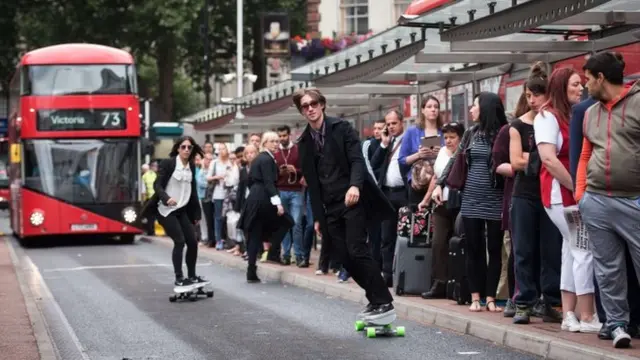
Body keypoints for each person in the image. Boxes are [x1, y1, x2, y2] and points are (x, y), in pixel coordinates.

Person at [293, 87, 396, 321]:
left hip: (352, 200)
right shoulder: (304, 142)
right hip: (329, 207)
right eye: (305, 106)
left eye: (314, 103)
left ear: (322, 104)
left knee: (357, 250)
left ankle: (384, 302)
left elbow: (357, 160)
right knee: (344, 258)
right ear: (302, 111)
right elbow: (313, 183)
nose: (310, 108)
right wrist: (318, 217)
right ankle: (374, 298)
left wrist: (355, 186)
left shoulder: (342, 129)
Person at [576, 51, 640, 347]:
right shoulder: (590, 113)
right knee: (607, 267)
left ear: (601, 78)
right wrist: (581, 195)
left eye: (588, 79)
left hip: (634, 200)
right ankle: (616, 324)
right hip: (597, 201)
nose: (585, 85)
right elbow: (585, 155)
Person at [141, 136, 205, 288]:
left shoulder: (191, 166)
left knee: (193, 242)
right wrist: (166, 198)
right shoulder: (169, 163)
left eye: (189, 147)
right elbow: (158, 185)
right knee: (180, 241)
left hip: (182, 210)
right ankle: (179, 277)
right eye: (183, 147)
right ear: (178, 148)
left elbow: (193, 191)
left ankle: (192, 276)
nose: (186, 150)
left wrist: (196, 214)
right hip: (165, 210)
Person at [237, 132, 293, 283]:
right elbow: (269, 182)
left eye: (277, 141)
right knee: (288, 221)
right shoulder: (267, 159)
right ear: (265, 143)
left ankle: (251, 270)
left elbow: (251, 180)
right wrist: (278, 203)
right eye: (272, 141)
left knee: (255, 234)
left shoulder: (260, 158)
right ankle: (273, 253)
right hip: (264, 198)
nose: (276, 144)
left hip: (255, 197)